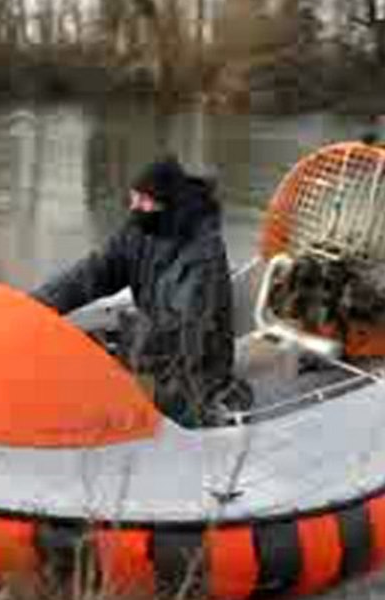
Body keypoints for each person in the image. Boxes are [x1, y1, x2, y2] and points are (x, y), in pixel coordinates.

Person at [31, 156, 252, 428]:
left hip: (189, 370)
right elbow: (94, 272)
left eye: (144, 200)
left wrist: (118, 366)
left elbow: (191, 337)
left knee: (95, 408)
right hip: (153, 353)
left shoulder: (202, 256)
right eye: (133, 198)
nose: (135, 207)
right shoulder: (139, 231)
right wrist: (35, 307)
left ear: (168, 203)